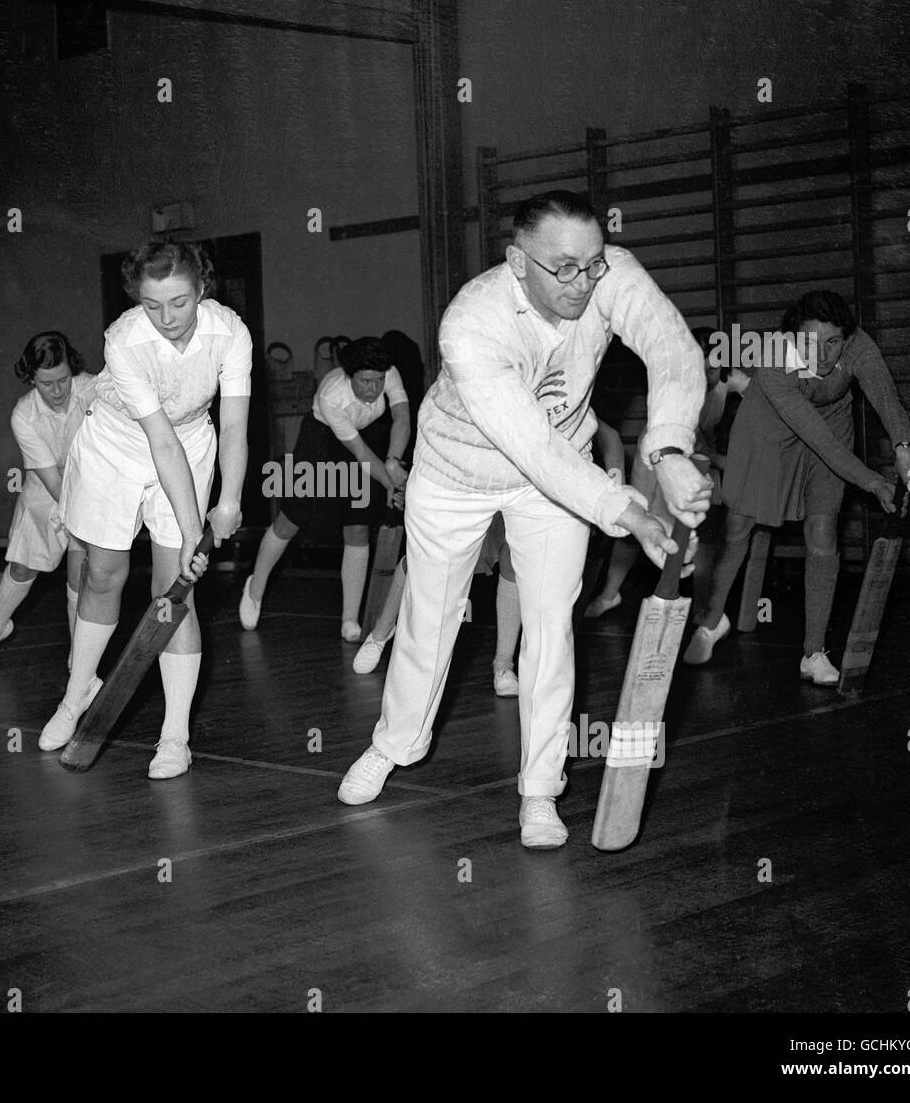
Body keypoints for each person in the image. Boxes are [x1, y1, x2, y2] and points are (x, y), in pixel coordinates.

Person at [336, 190, 711, 849]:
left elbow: (672, 350)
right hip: (457, 473)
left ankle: (540, 789)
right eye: (562, 267)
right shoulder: (470, 324)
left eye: (592, 264)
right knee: (429, 617)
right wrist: (626, 507)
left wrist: (671, 447)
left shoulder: (608, 273)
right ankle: (394, 743)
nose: (582, 281)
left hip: (556, 475)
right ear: (517, 262)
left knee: (549, 627)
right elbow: (529, 446)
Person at [37, 241, 250, 779]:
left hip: (193, 442)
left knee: (173, 593)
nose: (167, 318)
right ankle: (74, 696)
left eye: (179, 302)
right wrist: (192, 526)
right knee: (103, 573)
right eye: (153, 305)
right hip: (117, 444)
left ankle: (175, 736)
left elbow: (236, 426)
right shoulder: (124, 339)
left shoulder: (231, 334)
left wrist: (228, 502)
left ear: (202, 289)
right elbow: (159, 441)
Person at [682, 290, 910, 682]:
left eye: (833, 343)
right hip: (768, 432)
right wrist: (873, 481)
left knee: (823, 532)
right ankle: (710, 623)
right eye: (810, 343)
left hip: (833, 426)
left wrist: (904, 448)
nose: (823, 355)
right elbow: (816, 439)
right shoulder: (775, 362)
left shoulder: (859, 347)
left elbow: (886, 398)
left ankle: (813, 653)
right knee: (739, 527)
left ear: (847, 338)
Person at [353, 418, 626, 694]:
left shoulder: (560, 394)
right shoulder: (480, 390)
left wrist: (615, 493)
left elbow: (610, 437)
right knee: (422, 560)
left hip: (526, 491)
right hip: (468, 480)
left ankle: (504, 665)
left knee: (513, 560)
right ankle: (380, 633)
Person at [238, 336, 411, 642]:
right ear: (348, 376)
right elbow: (359, 455)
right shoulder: (333, 396)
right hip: (322, 442)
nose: (374, 389)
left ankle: (349, 619)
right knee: (291, 519)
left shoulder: (389, 372)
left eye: (379, 381)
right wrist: (390, 483)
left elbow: (401, 418)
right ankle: (255, 588)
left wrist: (394, 462)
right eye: (366, 382)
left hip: (368, 436)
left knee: (357, 525)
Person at [584, 330, 751, 618]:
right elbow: (679, 442)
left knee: (701, 534)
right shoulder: (676, 383)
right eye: (700, 367)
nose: (707, 375)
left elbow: (765, 396)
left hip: (696, 458)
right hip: (658, 452)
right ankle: (609, 594)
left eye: (713, 369)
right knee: (635, 524)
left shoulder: (730, 379)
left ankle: (701, 607)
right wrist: (722, 460)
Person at [0, 332, 97, 669]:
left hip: (91, 490)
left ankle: (78, 659)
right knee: (22, 567)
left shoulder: (94, 388)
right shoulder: (23, 415)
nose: (58, 390)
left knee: (80, 573)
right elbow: (52, 479)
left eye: (63, 379)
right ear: (31, 378)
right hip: (45, 492)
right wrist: (69, 512)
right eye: (46, 383)